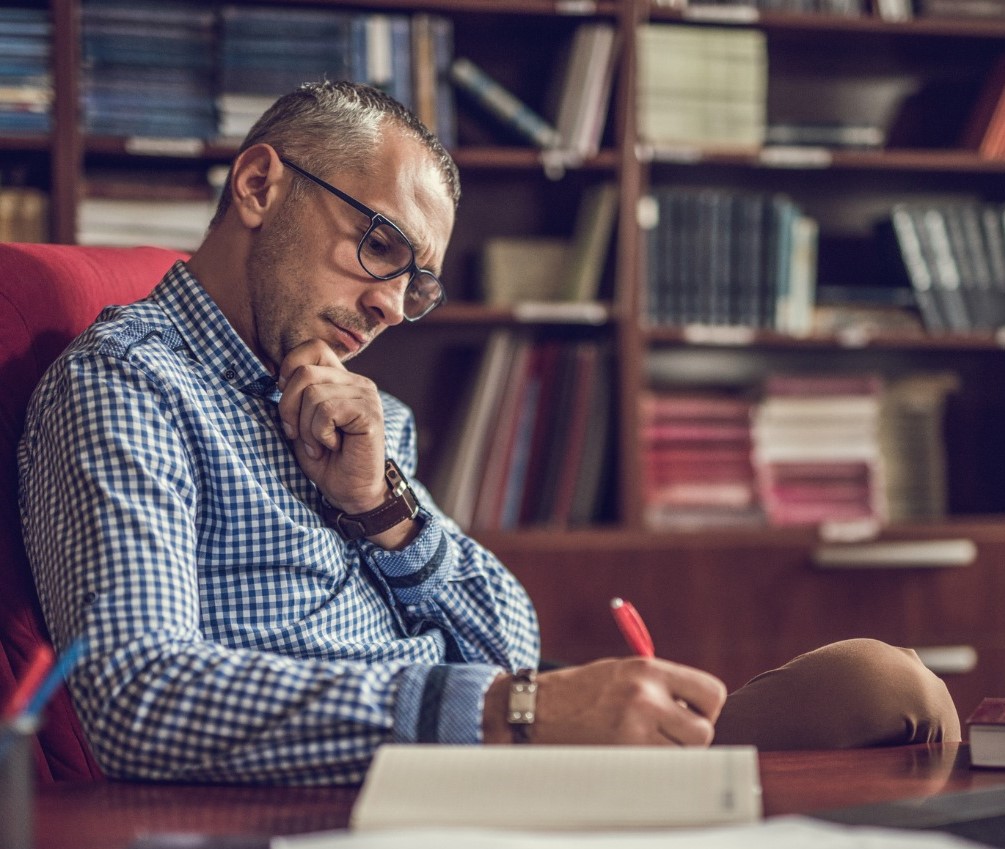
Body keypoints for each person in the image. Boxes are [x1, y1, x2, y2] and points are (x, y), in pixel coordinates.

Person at [17, 81, 960, 785]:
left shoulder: (347, 408)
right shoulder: (131, 384)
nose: (388, 305)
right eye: (377, 245)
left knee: (884, 692)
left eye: (414, 283)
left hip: (492, 757)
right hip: (379, 796)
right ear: (261, 184)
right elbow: (137, 701)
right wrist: (510, 715)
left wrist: (381, 512)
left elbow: (509, 633)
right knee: (880, 705)